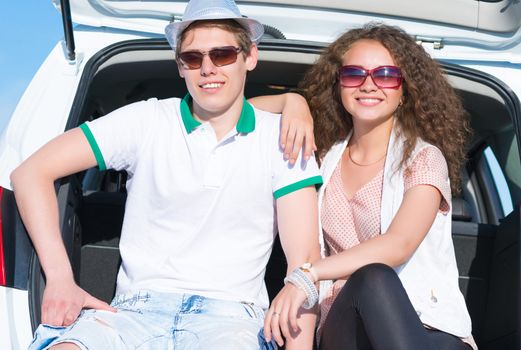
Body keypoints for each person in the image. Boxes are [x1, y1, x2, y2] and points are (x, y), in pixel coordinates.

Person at [11, 0, 323, 349]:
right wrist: (59, 277)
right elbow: (30, 173)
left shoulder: (284, 138)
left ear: (249, 57)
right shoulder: (146, 121)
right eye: (193, 58)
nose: (207, 68)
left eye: (222, 55)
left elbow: (304, 266)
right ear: (180, 66)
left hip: (232, 321)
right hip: (132, 314)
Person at [251, 23, 476, 349]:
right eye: (354, 74)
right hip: (345, 328)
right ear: (339, 84)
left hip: (422, 329)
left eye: (385, 75)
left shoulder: (424, 159)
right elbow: (232, 113)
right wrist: (293, 103)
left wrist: (309, 275)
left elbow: (399, 244)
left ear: (404, 89)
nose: (369, 85)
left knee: (374, 276)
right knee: (369, 278)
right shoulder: (322, 160)